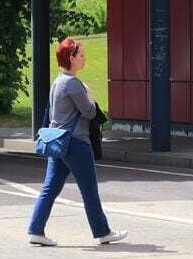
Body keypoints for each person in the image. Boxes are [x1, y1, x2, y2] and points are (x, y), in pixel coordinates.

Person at [28, 37, 128, 247]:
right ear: (71, 58)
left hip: (58, 142)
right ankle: (103, 231)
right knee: (89, 190)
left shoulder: (58, 81)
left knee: (50, 188)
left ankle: (36, 230)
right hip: (75, 143)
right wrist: (89, 95)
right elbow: (89, 111)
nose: (84, 59)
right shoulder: (73, 84)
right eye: (80, 55)